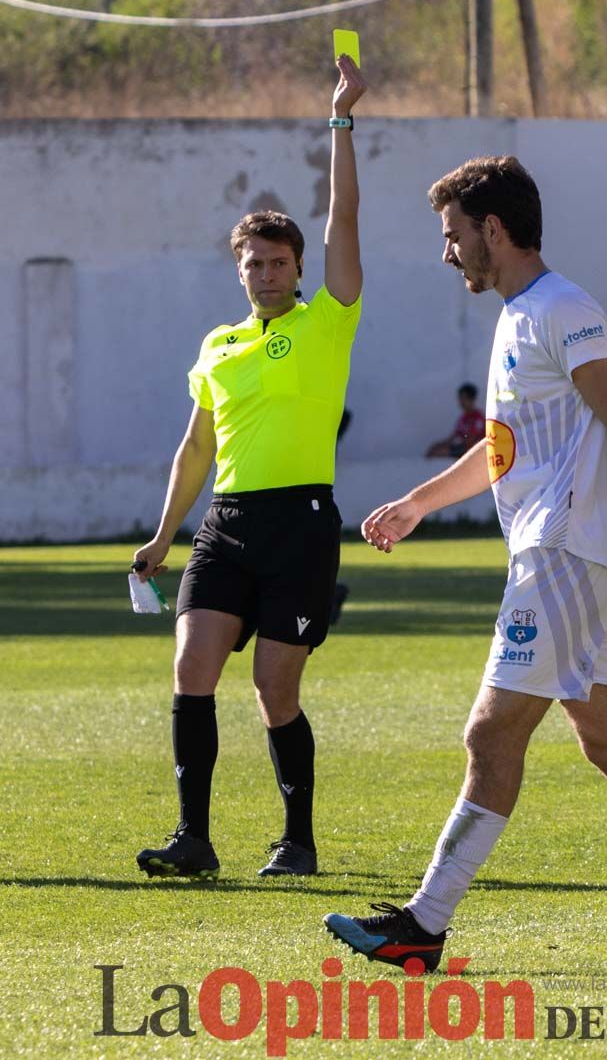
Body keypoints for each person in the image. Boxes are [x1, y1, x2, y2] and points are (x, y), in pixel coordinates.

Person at [323, 155, 607, 968]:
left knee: (490, 732)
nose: (447, 252)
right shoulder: (518, 317)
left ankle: (423, 924)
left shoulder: (563, 308)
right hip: (557, 552)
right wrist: (418, 503)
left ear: (493, 228)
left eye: (453, 234)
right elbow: (502, 449)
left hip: (564, 550)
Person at [133, 56, 367, 880]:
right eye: (253, 265)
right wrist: (163, 535)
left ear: (298, 268)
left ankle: (297, 841)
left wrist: (340, 120)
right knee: (191, 668)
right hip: (226, 525)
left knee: (275, 688)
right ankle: (193, 840)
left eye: (278, 263)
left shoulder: (327, 323)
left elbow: (344, 218)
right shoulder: (218, 345)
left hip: (300, 524)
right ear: (238, 271)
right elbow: (196, 447)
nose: (266, 275)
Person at [425, 383, 485, 458]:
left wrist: (449, 450)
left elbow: (471, 441)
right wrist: (439, 445)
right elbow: (453, 437)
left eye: (464, 398)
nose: (461, 402)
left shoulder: (478, 418)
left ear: (472, 399)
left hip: (475, 452)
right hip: (463, 448)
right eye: (460, 398)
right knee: (435, 451)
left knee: (440, 452)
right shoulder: (463, 418)